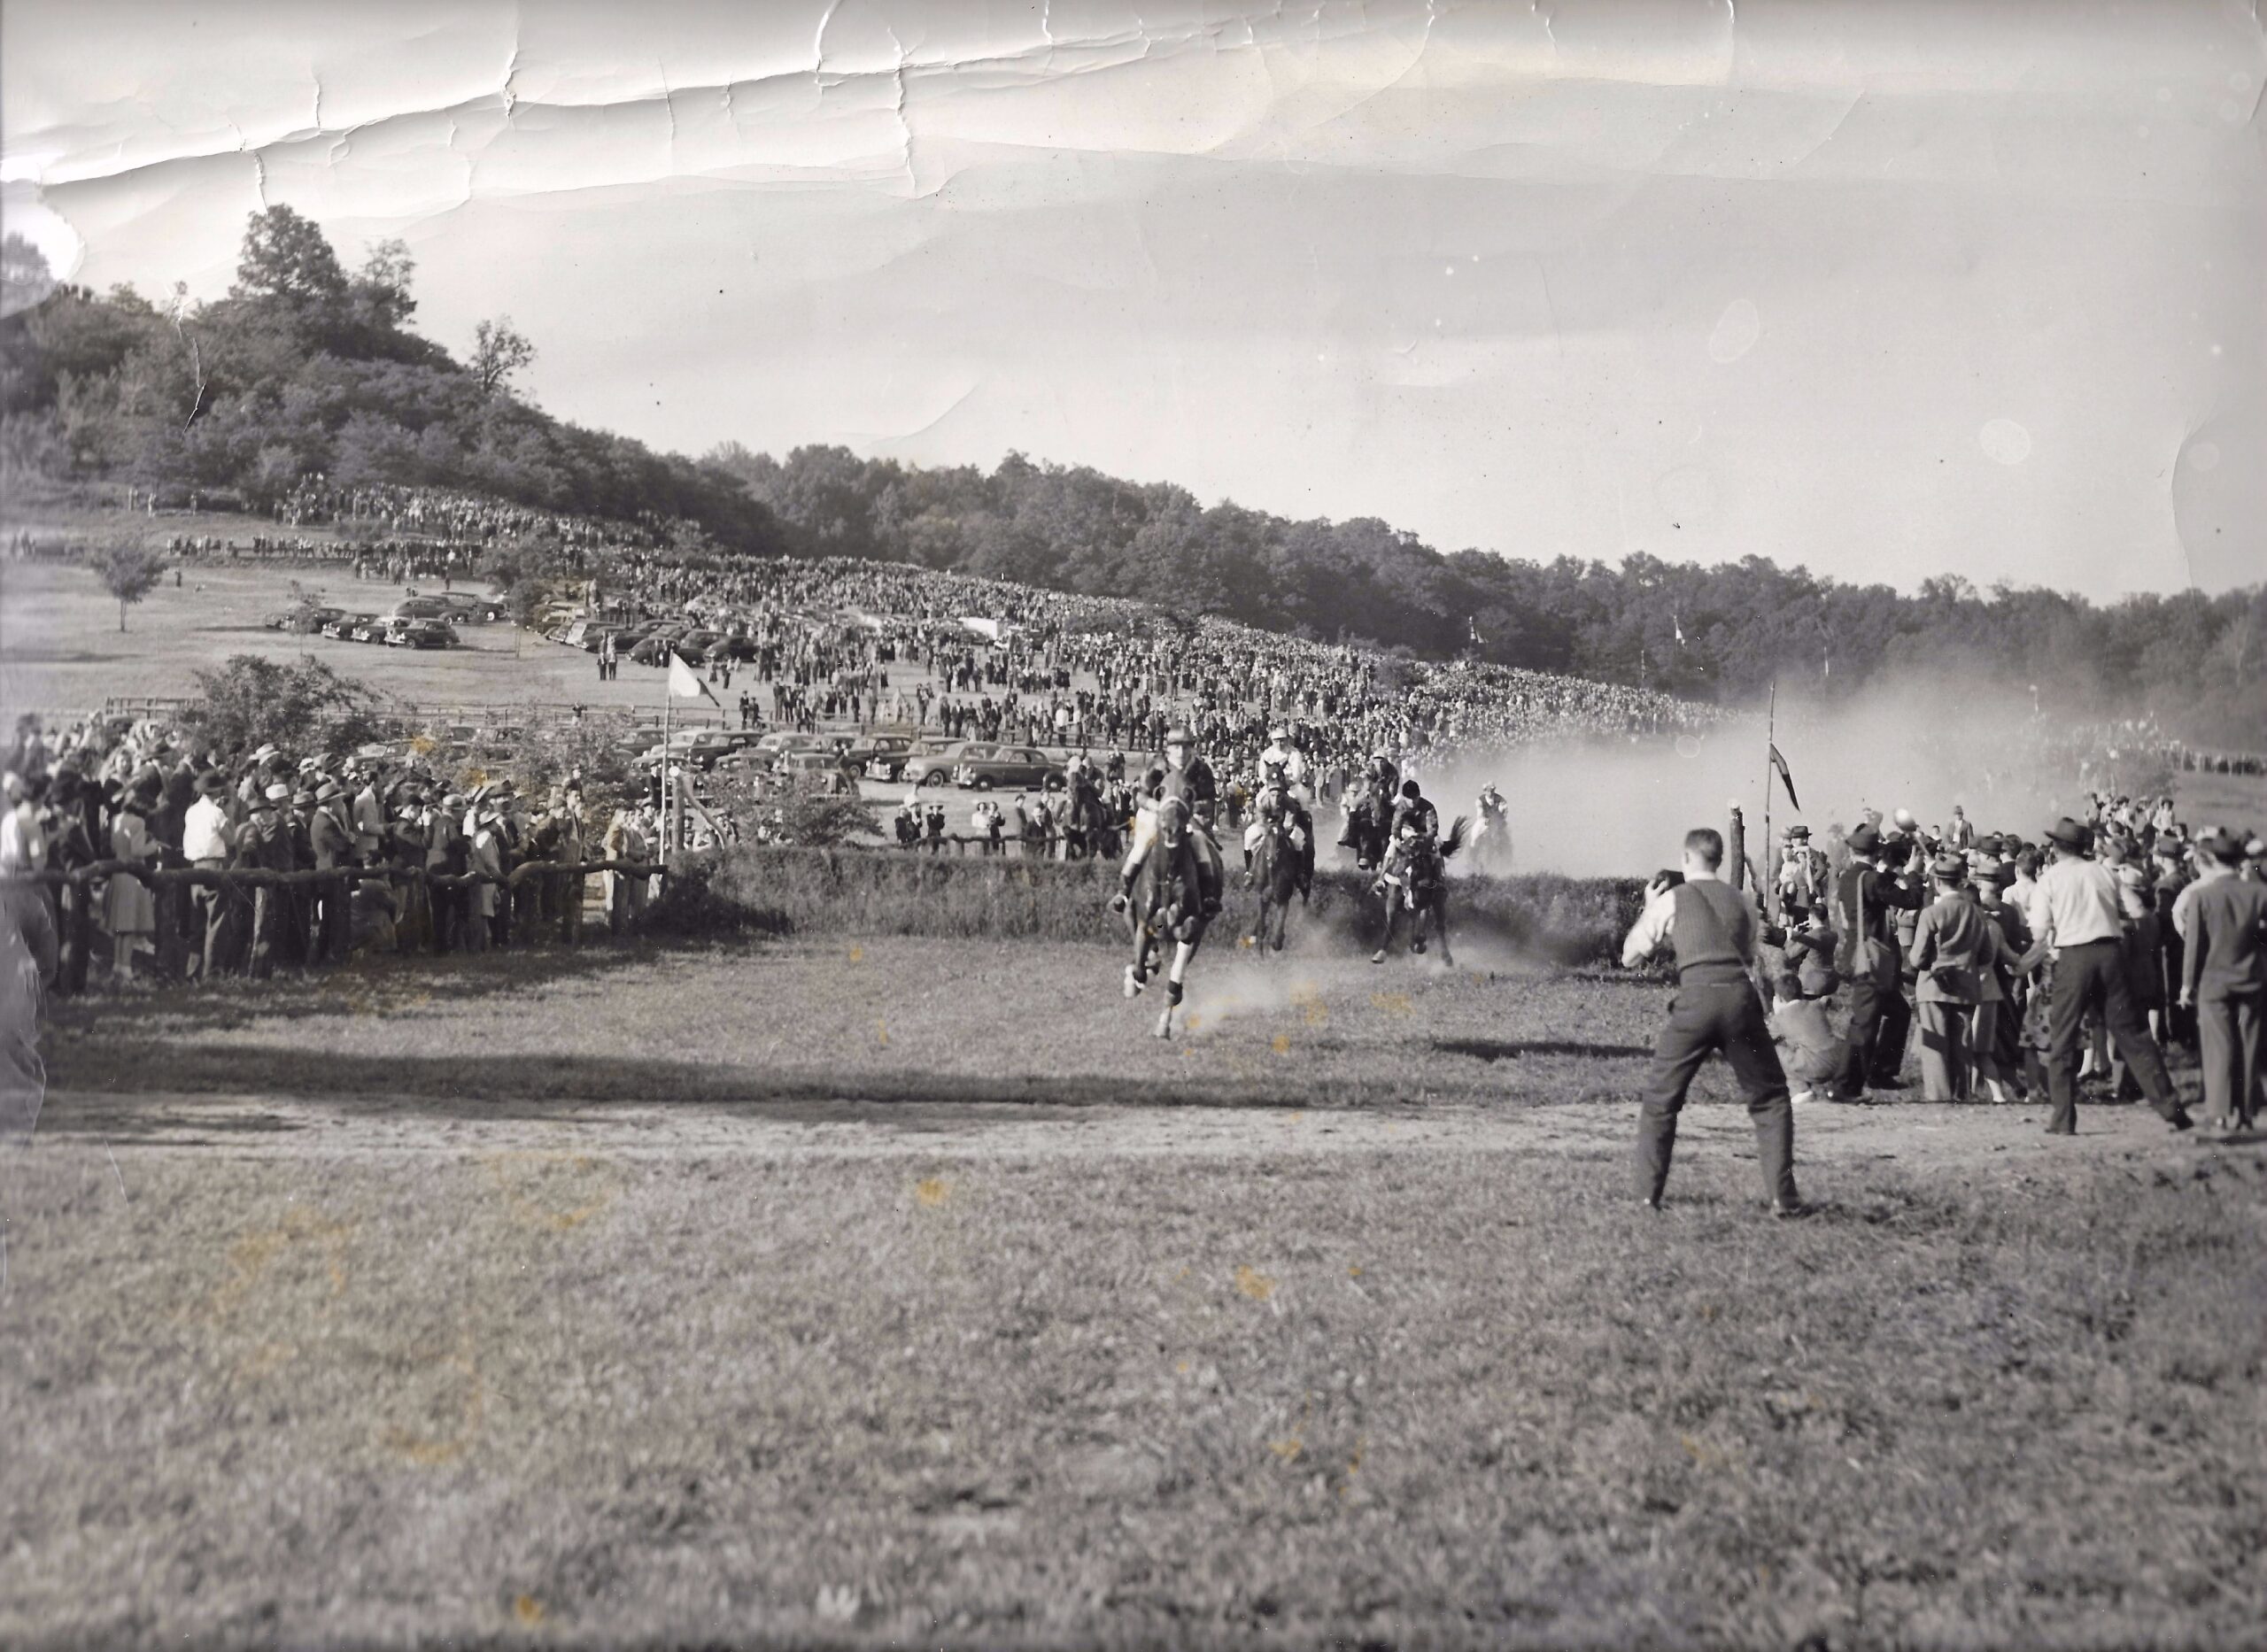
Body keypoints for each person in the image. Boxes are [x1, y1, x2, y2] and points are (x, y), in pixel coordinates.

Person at [1621, 827, 1805, 1216]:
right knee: (1771, 1098)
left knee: (1661, 1099)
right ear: (1719, 860)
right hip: (1740, 1001)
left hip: (1696, 1001)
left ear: (1686, 858)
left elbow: (1630, 957)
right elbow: (1751, 949)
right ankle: (1783, 1198)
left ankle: (1646, 1196)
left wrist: (1647, 907)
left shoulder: (1673, 899)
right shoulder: (1743, 902)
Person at [2026, 816, 2191, 1137]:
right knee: (2133, 1033)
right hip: (2111, 954)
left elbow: (2039, 932)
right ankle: (2171, 1108)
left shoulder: (2051, 878)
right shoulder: (2103, 871)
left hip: (2073, 956)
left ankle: (2063, 1118)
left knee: (2063, 1036)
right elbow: (2137, 912)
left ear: (2057, 848)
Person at [2177, 828, 2266, 1137]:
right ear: (2240, 859)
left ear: (2213, 858)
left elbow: (2194, 947)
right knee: (2250, 1045)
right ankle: (2246, 1110)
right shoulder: (2259, 893)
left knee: (2218, 1047)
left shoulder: (2202, 895)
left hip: (2214, 981)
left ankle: (2218, 1112)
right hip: (2252, 978)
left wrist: (2187, 985)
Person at [1830, 822, 1926, 1101]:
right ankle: (1844, 1086)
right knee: (1864, 1023)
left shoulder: (1849, 877)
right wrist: (1912, 875)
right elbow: (1911, 900)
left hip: (1858, 956)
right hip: (1870, 963)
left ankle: (1880, 1072)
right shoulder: (1873, 880)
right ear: (1876, 853)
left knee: (1898, 1012)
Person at [1907, 853, 2011, 1102]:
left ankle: (1939, 1096)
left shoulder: (1931, 913)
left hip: (1934, 984)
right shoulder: (1977, 913)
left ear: (1938, 882)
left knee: (1937, 1044)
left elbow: (1917, 959)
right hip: (1966, 984)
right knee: (1962, 1043)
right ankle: (1960, 1093)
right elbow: (1986, 955)